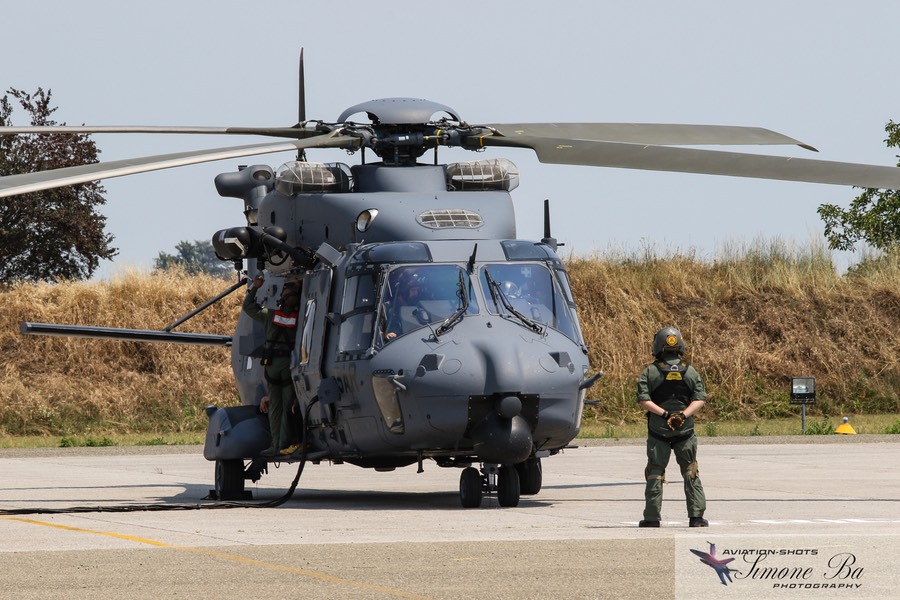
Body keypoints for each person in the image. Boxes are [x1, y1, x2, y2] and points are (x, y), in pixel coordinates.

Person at [636, 326, 708, 527]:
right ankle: (696, 518)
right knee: (690, 471)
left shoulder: (650, 371)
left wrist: (665, 414)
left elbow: (643, 399)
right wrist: (682, 416)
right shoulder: (690, 371)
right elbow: (700, 398)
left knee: (655, 472)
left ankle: (651, 518)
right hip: (685, 431)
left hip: (658, 432)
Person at [243, 274, 301, 457]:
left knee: (274, 406)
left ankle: (274, 445)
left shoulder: (270, 315)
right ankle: (284, 443)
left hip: (272, 365)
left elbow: (248, 307)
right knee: (286, 406)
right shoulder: (298, 319)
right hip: (288, 367)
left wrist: (255, 287)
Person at [383, 270, 424, 341]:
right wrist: (384, 335)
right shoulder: (387, 307)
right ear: (404, 291)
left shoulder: (420, 308)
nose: (416, 294)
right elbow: (375, 330)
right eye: (413, 290)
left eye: (417, 290)